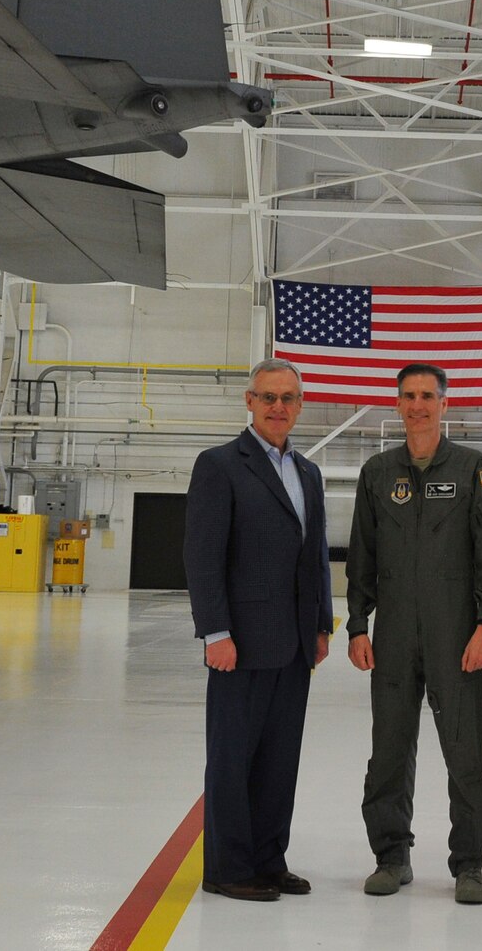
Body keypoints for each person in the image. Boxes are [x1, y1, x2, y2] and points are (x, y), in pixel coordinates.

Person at [346, 363, 482, 905]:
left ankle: (469, 864)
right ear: (397, 405)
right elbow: (361, 558)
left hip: (456, 635)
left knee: (464, 753)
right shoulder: (377, 473)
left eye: (427, 395)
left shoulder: (473, 468)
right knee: (388, 751)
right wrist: (356, 625)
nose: (417, 404)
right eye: (408, 396)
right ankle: (391, 856)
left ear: (445, 403)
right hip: (393, 635)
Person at [184, 358, 333, 902]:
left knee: (278, 760)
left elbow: (314, 555)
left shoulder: (308, 472)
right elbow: (202, 557)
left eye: (288, 398)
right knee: (232, 758)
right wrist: (215, 632)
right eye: (268, 397)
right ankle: (228, 867)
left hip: (294, 643)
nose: (278, 407)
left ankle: (269, 860)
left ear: (300, 404)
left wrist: (321, 625)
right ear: (249, 402)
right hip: (240, 643)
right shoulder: (220, 464)